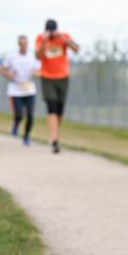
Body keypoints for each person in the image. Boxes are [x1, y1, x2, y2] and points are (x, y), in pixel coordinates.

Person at [35, 19, 79, 154]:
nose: (52, 34)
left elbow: (76, 49)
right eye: (49, 31)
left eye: (53, 31)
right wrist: (44, 41)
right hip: (47, 77)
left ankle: (55, 134)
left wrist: (66, 41)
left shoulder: (64, 37)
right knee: (51, 106)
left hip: (63, 77)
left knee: (60, 109)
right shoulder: (40, 39)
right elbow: (38, 56)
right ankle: (54, 139)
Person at [0, 34, 40, 146]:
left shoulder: (33, 57)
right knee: (19, 114)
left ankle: (26, 136)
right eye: (21, 43)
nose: (23, 45)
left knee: (30, 115)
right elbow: (3, 70)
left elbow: (39, 71)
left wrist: (34, 73)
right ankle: (16, 124)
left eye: (25, 43)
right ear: (18, 44)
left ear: (28, 44)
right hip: (15, 90)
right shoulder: (11, 57)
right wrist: (9, 74)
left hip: (29, 89)